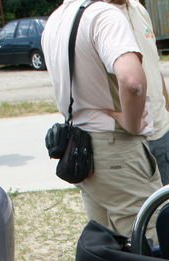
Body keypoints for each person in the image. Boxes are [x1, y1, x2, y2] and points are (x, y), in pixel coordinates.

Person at [42, 0, 160, 237]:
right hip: (116, 148)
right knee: (145, 244)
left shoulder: (55, 21)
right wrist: (132, 122)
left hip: (81, 149)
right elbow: (132, 81)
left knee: (105, 247)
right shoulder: (103, 15)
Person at [106, 0, 169, 185]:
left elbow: (154, 66)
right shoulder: (98, 17)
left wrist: (167, 114)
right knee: (135, 213)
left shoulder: (139, 9)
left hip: (162, 132)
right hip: (129, 140)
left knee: (161, 210)